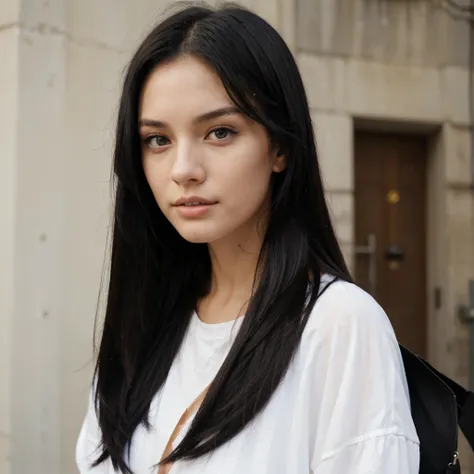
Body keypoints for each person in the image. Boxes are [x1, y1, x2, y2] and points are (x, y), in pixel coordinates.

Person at [76, 3, 420, 473]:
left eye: (219, 132)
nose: (183, 171)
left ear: (280, 146)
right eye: (158, 140)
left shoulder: (338, 326)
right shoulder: (143, 322)